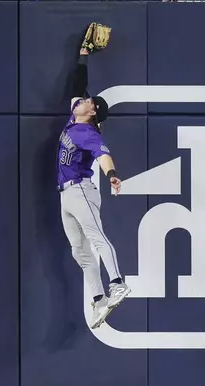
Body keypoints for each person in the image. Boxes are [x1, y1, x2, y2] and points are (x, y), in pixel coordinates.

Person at [56, 40, 131, 329]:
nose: (82, 100)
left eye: (87, 102)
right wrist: (84, 55)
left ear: (92, 112)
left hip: (81, 190)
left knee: (97, 238)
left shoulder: (88, 133)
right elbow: (77, 84)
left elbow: (104, 156)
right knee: (80, 251)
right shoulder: (77, 114)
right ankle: (99, 299)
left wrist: (112, 175)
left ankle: (118, 283)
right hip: (66, 195)